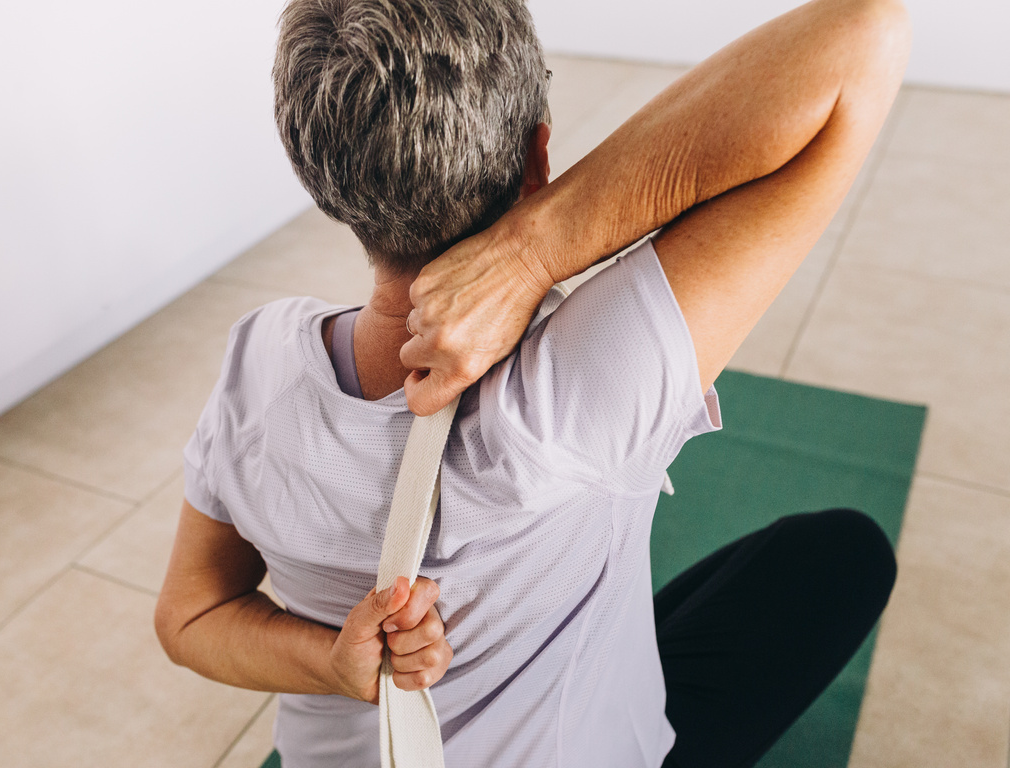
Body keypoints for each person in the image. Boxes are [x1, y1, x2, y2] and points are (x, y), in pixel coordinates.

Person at [154, 0, 910, 765]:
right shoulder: (581, 386)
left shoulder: (258, 361)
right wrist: (531, 253)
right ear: (539, 158)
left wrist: (333, 662)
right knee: (843, 553)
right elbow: (863, 35)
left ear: (319, 178)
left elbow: (189, 615)